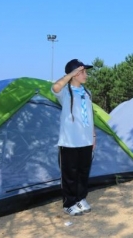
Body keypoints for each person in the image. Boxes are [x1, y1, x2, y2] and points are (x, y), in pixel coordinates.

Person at [51, 59, 95, 216]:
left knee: (83, 172)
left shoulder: (87, 92)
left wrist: (93, 136)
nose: (85, 75)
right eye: (82, 72)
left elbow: (90, 116)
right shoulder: (65, 92)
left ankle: (80, 199)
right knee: (70, 173)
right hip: (69, 141)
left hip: (86, 140)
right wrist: (70, 74)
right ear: (74, 74)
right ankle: (68, 203)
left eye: (85, 71)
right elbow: (55, 87)